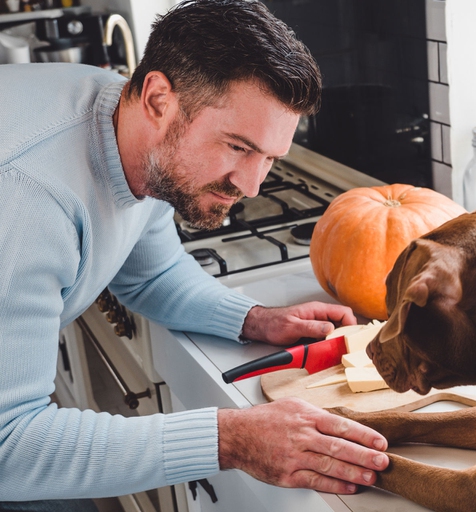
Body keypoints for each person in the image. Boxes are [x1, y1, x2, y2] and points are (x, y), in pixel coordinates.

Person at [0, 0, 389, 510]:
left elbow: (151, 273)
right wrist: (231, 439)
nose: (251, 185)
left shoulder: (130, 128)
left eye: (270, 158)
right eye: (236, 147)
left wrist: (256, 320)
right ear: (160, 99)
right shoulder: (28, 201)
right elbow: (9, 447)